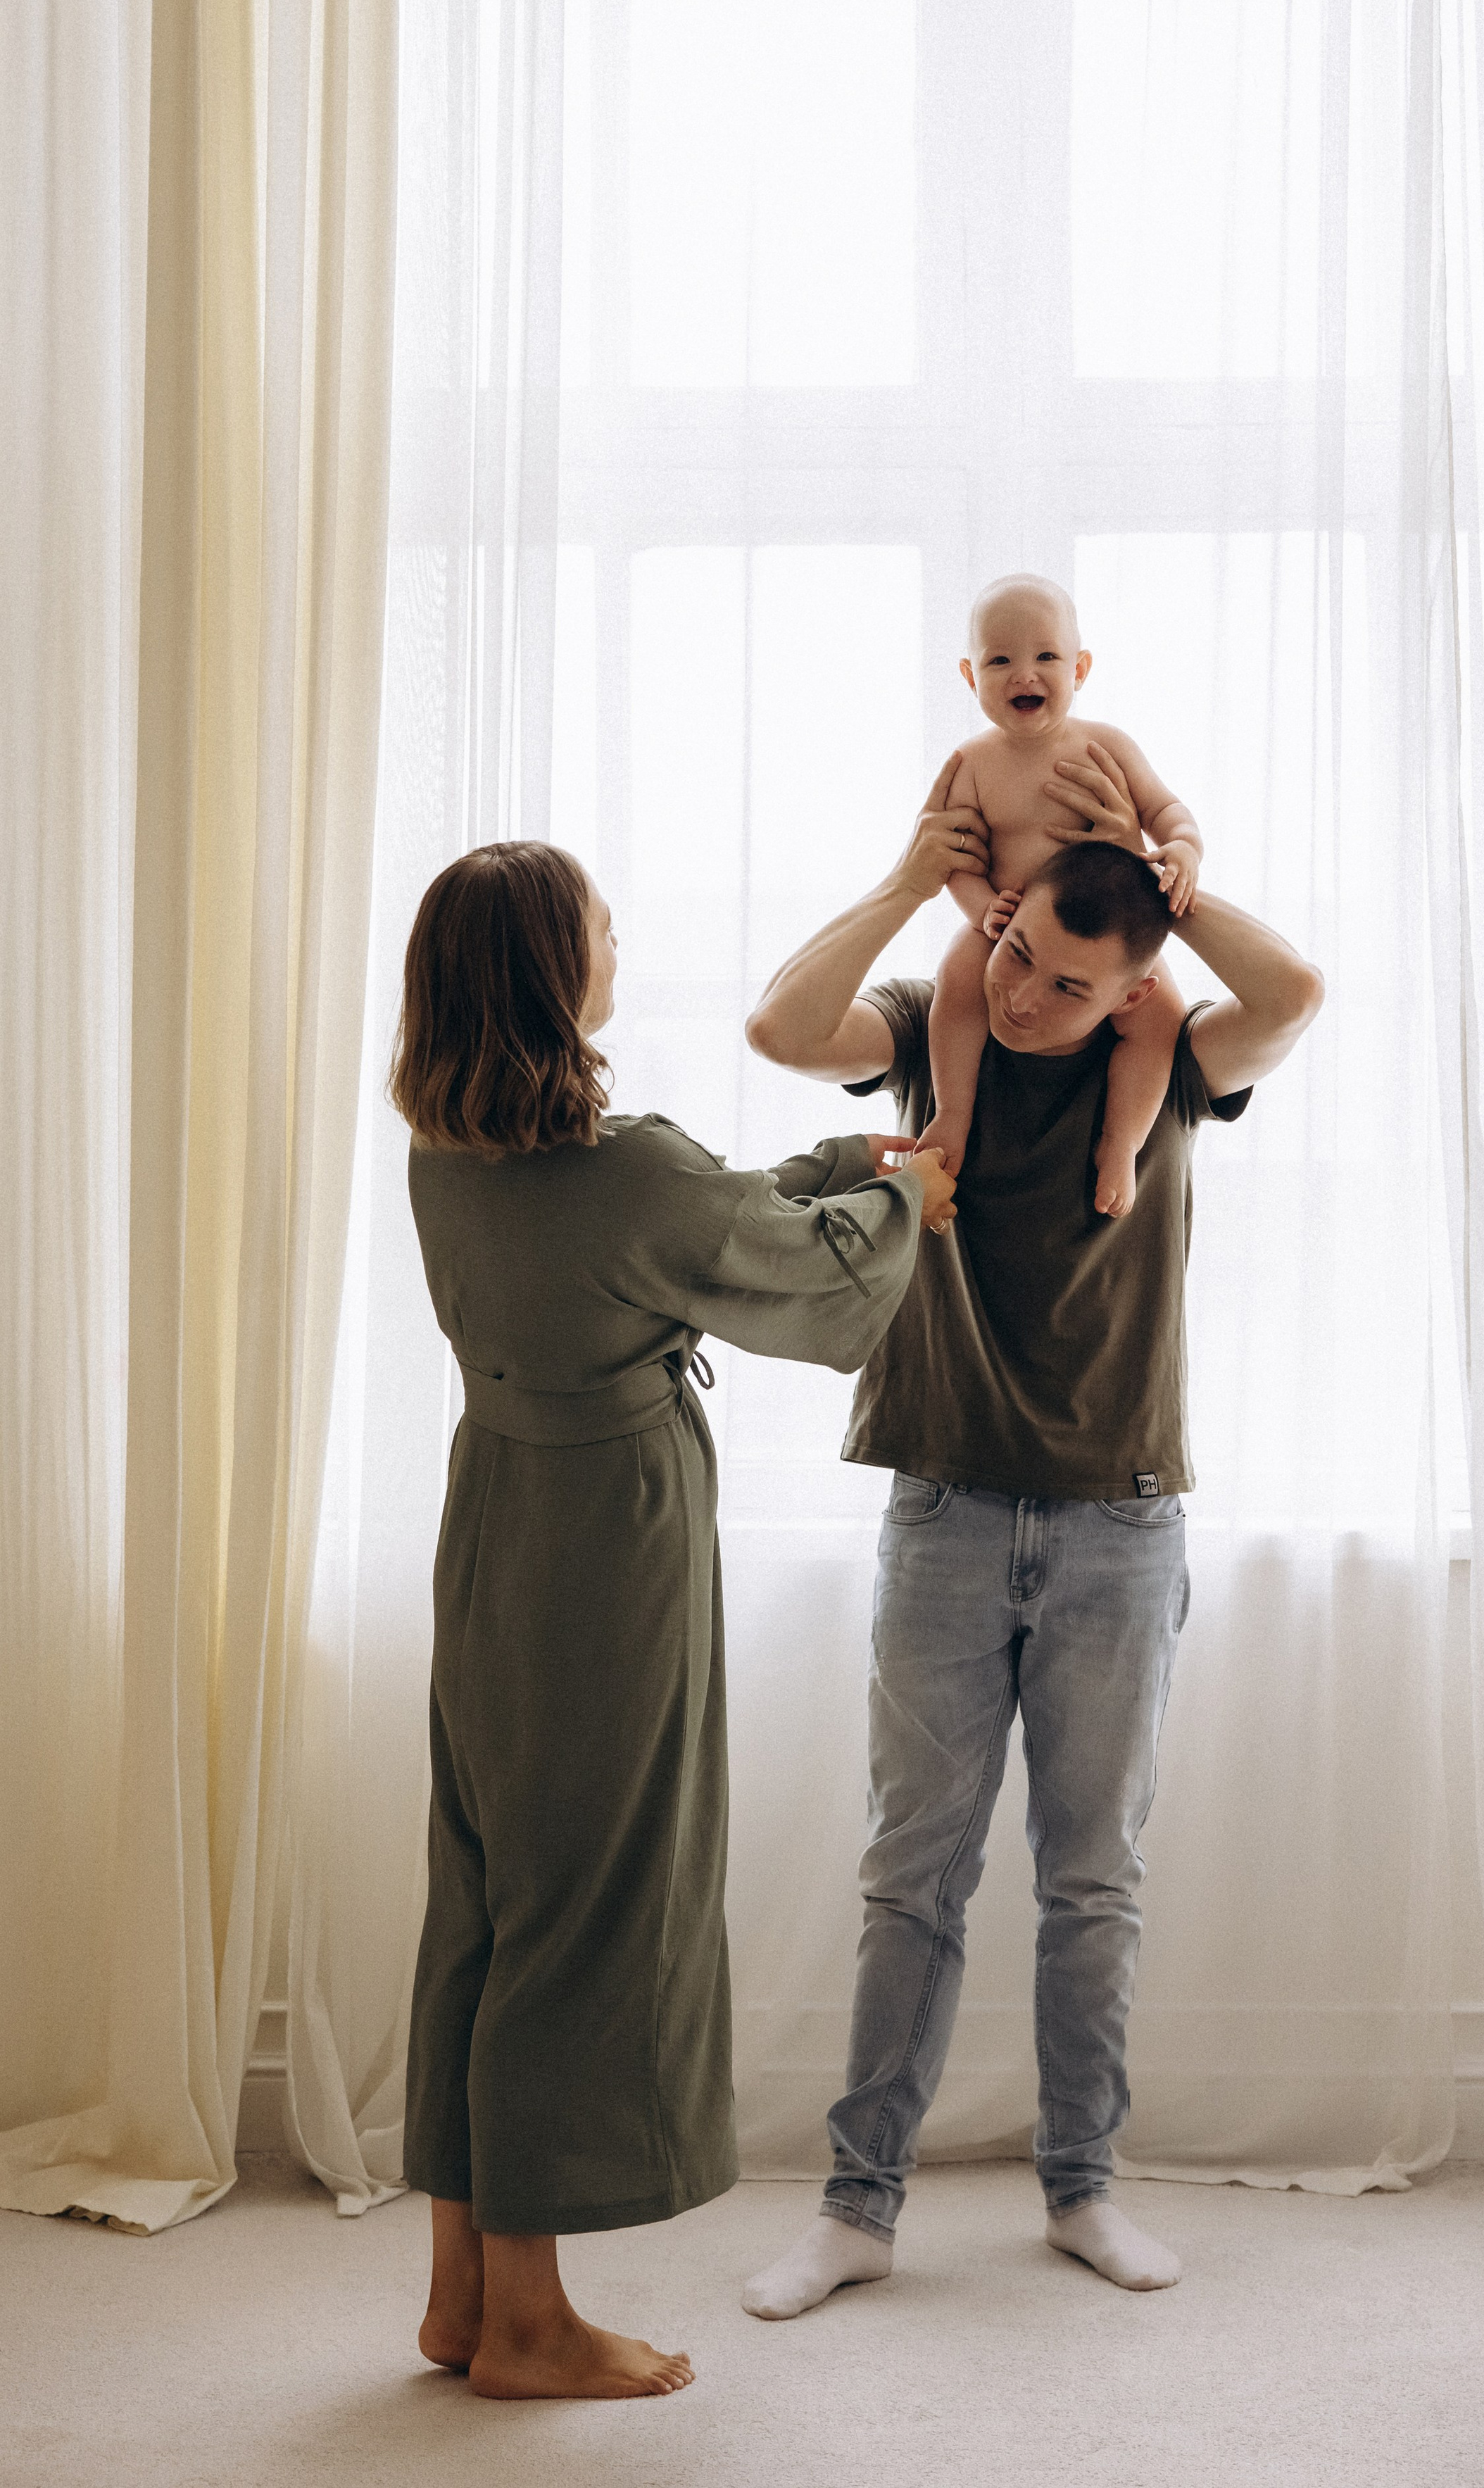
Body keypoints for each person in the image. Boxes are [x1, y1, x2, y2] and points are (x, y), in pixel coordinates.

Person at [738, 747, 1323, 2318]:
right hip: (942, 1500)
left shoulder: (1172, 1063)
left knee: (1092, 1880)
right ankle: (857, 2208)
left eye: (1073, 985)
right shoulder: (935, 1041)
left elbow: (1293, 991)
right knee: (910, 1876)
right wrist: (904, 880)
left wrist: (1175, 889)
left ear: (1134, 994)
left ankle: (1082, 2189)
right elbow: (780, 1028)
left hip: (1120, 1520)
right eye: (1016, 955)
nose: (1025, 997)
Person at [389, 839, 956, 2400]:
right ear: (544, 972)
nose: (617, 943)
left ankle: (459, 2293)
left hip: (490, 1524)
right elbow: (794, 1278)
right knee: (589, 1901)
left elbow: (694, 1213)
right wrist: (901, 1198)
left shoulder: (448, 1155)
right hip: (600, 1545)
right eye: (597, 927)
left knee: (489, 1892)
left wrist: (845, 1166)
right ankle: (527, 2322)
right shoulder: (624, 1171)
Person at [917, 573, 1204, 1218]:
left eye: (1046, 656)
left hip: (1107, 937)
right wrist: (981, 908)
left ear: (1080, 668)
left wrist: (1183, 847)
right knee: (956, 982)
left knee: (1159, 1020)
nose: (1025, 673)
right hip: (1010, 930)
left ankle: (1121, 1143)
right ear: (969, 676)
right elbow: (954, 860)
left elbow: (1167, 809)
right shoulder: (971, 763)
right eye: (1000, 660)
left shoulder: (1106, 745)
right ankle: (953, 1112)